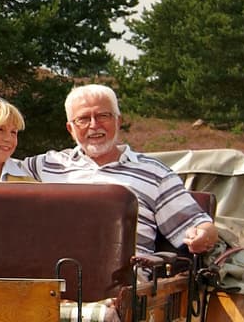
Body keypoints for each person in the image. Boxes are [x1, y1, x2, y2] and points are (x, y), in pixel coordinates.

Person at [30, 82, 230, 263]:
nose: (94, 125)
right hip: (52, 286)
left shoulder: (154, 173)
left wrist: (202, 235)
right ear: (70, 129)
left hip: (125, 290)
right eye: (83, 119)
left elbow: (201, 226)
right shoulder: (47, 165)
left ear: (118, 121)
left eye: (103, 116)